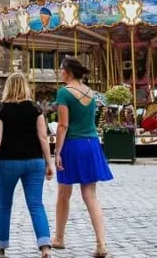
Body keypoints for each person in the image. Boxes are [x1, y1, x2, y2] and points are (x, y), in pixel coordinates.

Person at [0, 73, 53, 258]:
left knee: (4, 204)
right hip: (34, 162)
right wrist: (49, 162)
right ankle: (45, 246)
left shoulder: (1, 109)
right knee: (36, 205)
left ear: (8, 87)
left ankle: (0, 247)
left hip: (9, 162)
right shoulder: (35, 108)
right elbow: (43, 137)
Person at [53, 56, 112, 258]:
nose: (60, 72)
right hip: (92, 143)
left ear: (68, 72)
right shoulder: (91, 92)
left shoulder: (64, 93)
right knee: (90, 196)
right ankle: (101, 243)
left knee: (64, 193)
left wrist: (57, 151)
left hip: (73, 144)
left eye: (61, 69)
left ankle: (59, 237)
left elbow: (63, 125)